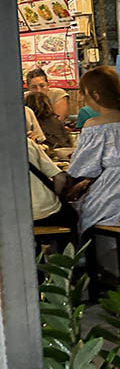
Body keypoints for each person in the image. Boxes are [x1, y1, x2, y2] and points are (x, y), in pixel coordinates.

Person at [67, 67, 120, 242]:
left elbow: (83, 167)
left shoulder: (95, 126)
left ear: (95, 95)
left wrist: (84, 181)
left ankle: (85, 262)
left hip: (111, 197)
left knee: (78, 212)